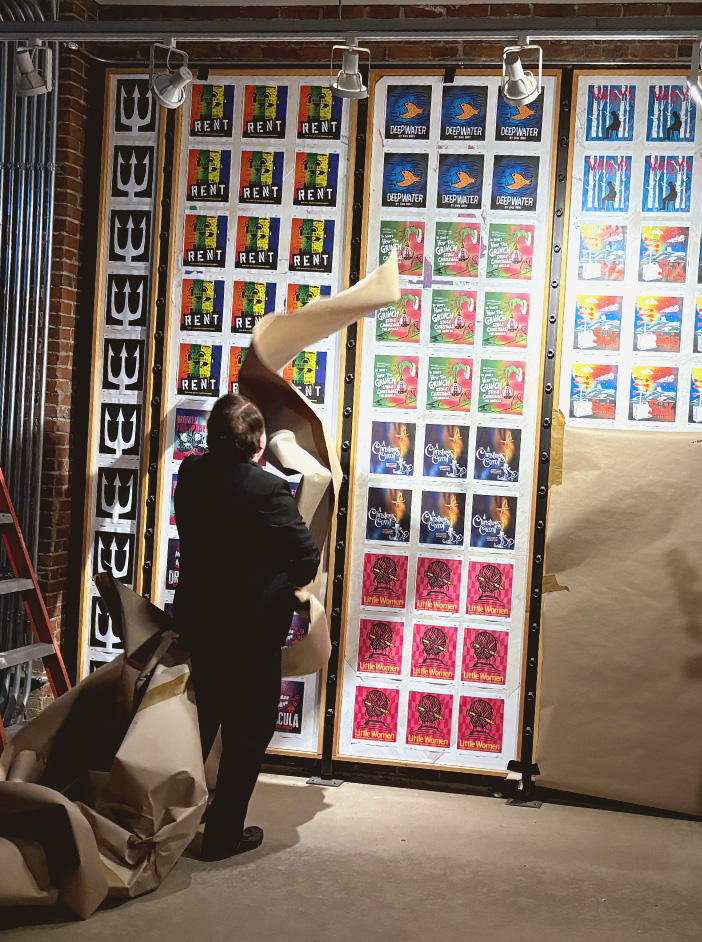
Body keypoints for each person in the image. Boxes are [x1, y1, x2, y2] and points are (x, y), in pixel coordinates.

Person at [173, 393, 320, 861]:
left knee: (194, 728)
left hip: (198, 625)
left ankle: (163, 827)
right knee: (247, 734)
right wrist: (280, 576)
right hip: (251, 635)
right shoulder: (268, 490)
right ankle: (222, 836)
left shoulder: (191, 473)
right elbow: (307, 557)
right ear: (258, 443)